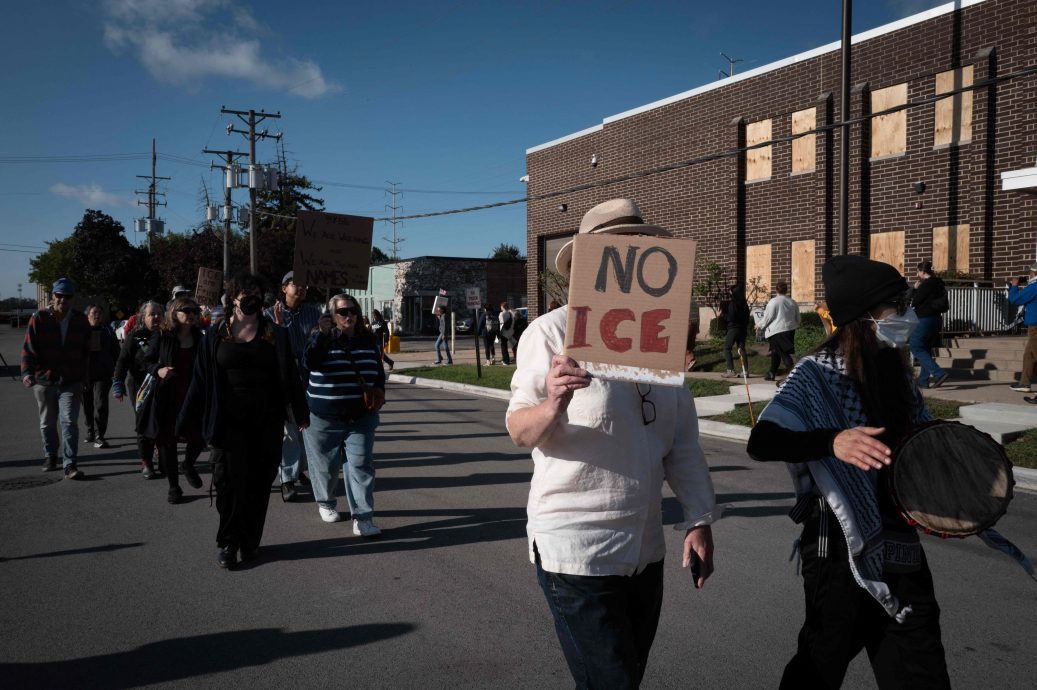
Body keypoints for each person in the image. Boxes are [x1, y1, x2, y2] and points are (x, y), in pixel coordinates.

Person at [506, 199, 719, 688]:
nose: (628, 254)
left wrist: (699, 519)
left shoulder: (657, 336)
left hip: (643, 551)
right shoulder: (550, 333)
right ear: (586, 263)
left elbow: (681, 443)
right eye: (613, 248)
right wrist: (554, 402)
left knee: (624, 677)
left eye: (636, 245)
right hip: (576, 549)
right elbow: (519, 430)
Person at [747, 254, 949, 689]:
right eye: (898, 303)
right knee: (818, 667)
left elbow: (919, 441)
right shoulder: (817, 375)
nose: (908, 313)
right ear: (865, 316)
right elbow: (761, 441)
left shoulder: (895, 372)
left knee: (922, 671)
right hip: (838, 547)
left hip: (900, 546)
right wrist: (831, 441)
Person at [178, 272, 309, 569]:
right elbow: (200, 381)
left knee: (258, 484)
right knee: (227, 484)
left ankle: (250, 542)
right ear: (232, 298)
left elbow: (290, 375)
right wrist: (185, 422)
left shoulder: (276, 333)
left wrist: (300, 412)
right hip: (227, 422)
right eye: (245, 293)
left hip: (266, 422)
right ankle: (228, 541)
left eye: (256, 293)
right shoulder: (215, 335)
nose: (251, 298)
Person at [302, 293, 385, 536]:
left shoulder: (368, 339)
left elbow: (377, 371)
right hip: (323, 418)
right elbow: (310, 362)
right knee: (326, 469)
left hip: (360, 418)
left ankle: (363, 518)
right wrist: (323, 336)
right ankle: (326, 502)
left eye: (353, 311)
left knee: (361, 466)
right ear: (332, 316)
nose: (349, 315)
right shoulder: (319, 338)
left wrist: (379, 392)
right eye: (343, 312)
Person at [21, 278, 92, 478]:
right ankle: (51, 455)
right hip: (45, 379)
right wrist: (27, 373)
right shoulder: (39, 318)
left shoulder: (80, 320)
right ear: (53, 296)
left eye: (67, 296)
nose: (63, 300)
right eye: (59, 295)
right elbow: (28, 349)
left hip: (71, 379)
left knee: (69, 421)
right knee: (47, 422)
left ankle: (70, 464)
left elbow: (87, 353)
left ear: (73, 298)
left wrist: (86, 377)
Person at [140, 297, 206, 504]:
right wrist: (158, 370)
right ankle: (174, 486)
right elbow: (146, 360)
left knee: (199, 436)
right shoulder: (163, 336)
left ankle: (188, 464)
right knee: (167, 442)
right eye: (187, 310)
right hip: (168, 396)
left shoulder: (200, 337)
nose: (192, 314)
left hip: (194, 395)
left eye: (195, 310)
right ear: (175, 313)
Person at [265, 271, 321, 502]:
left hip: (310, 376)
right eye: (296, 284)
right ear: (284, 288)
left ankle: (299, 469)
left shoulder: (314, 313)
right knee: (289, 430)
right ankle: (287, 479)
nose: (302, 289)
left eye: (305, 285)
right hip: (285, 378)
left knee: (308, 427)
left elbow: (319, 344)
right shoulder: (270, 314)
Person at [112, 301, 164, 478]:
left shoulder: (167, 335)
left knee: (163, 422)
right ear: (144, 317)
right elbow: (122, 360)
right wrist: (117, 382)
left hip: (162, 384)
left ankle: (163, 458)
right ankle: (146, 462)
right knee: (144, 424)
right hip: (139, 385)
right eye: (152, 314)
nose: (156, 317)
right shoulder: (134, 336)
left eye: (159, 313)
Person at [82, 304, 120, 448]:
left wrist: (117, 370)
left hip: (103, 373)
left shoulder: (108, 331)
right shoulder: (82, 331)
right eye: (94, 312)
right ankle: (90, 430)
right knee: (87, 404)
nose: (97, 314)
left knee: (101, 404)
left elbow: (116, 351)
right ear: (88, 315)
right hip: (85, 374)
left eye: (100, 312)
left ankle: (100, 435)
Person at [910, 260, 950, 389]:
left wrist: (915, 289)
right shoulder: (939, 284)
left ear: (923, 272)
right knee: (925, 348)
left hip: (924, 319)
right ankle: (923, 380)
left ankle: (939, 373)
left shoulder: (926, 285)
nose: (917, 273)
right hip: (936, 319)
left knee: (915, 347)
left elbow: (915, 301)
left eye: (918, 271)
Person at [758, 281, 801, 381]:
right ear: (786, 290)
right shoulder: (792, 302)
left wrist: (760, 325)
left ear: (776, 289)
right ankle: (771, 373)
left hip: (777, 331)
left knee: (783, 353)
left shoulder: (774, 301)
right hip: (789, 330)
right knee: (775, 352)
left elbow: (768, 316)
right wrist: (795, 325)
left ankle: (793, 375)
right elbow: (798, 318)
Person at [1007, 263, 1037, 394]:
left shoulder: (1034, 287)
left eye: (1030, 272)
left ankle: (1025, 383)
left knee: (1032, 354)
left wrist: (1014, 286)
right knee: (1030, 355)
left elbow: (1015, 299)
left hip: (1035, 326)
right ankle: (1024, 383)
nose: (1028, 275)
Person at [721, 284, 751, 378]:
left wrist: (722, 315)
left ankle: (730, 370)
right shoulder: (744, 304)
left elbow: (731, 317)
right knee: (741, 348)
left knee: (727, 348)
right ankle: (745, 371)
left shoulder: (733, 303)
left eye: (731, 291)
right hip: (743, 328)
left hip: (733, 328)